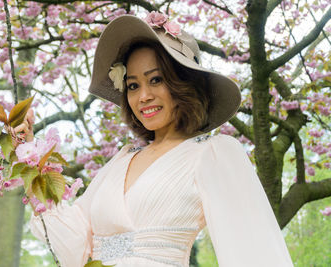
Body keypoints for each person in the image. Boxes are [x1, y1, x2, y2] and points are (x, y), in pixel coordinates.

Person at [24, 13, 294, 267]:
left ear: (185, 84)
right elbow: (74, 243)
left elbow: (252, 250)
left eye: (156, 80)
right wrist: (25, 153)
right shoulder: (121, 160)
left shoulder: (215, 153)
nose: (143, 97)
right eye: (133, 85)